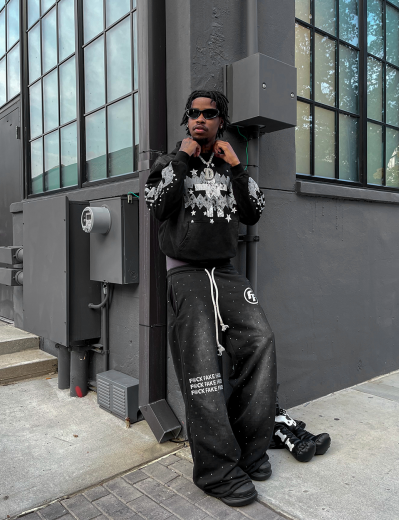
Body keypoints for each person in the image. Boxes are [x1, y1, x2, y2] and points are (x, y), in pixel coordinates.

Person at [144, 90, 277, 507]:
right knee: (202, 366)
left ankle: (249, 450)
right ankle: (216, 471)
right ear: (187, 120)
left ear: (221, 120)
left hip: (225, 271)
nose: (200, 119)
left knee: (260, 342)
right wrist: (181, 161)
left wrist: (237, 166)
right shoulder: (168, 164)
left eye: (209, 113)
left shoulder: (229, 165)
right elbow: (158, 206)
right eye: (194, 113)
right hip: (185, 273)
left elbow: (254, 211)